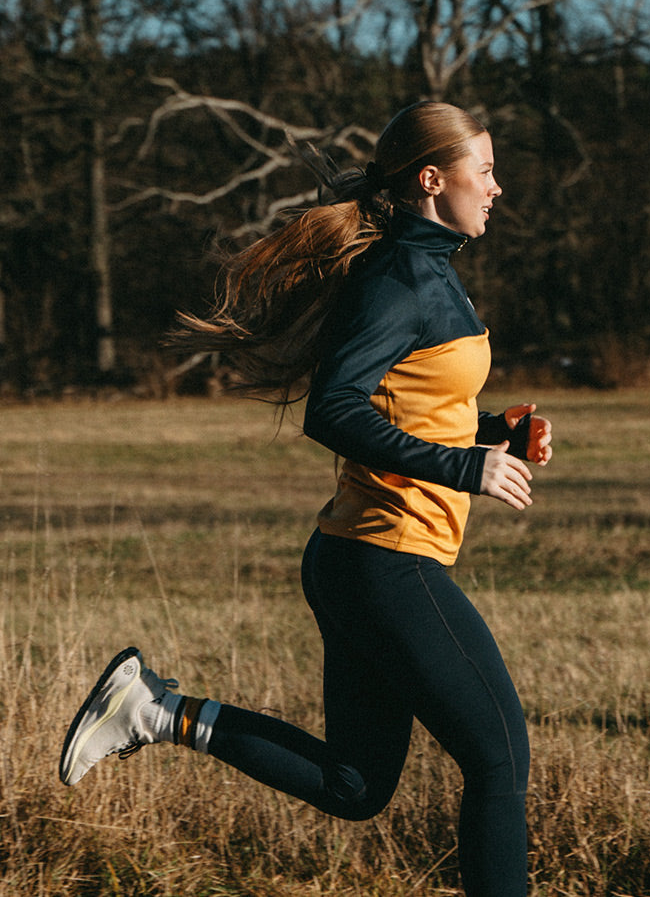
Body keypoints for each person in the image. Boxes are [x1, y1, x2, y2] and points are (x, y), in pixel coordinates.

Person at [59, 101, 552, 897]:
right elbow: (335, 409)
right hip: (385, 562)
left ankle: (154, 712)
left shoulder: (430, 271)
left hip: (362, 561)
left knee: (353, 785)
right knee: (498, 758)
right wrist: (466, 469)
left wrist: (496, 432)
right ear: (433, 179)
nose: (497, 187)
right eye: (486, 171)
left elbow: (410, 402)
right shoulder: (398, 279)